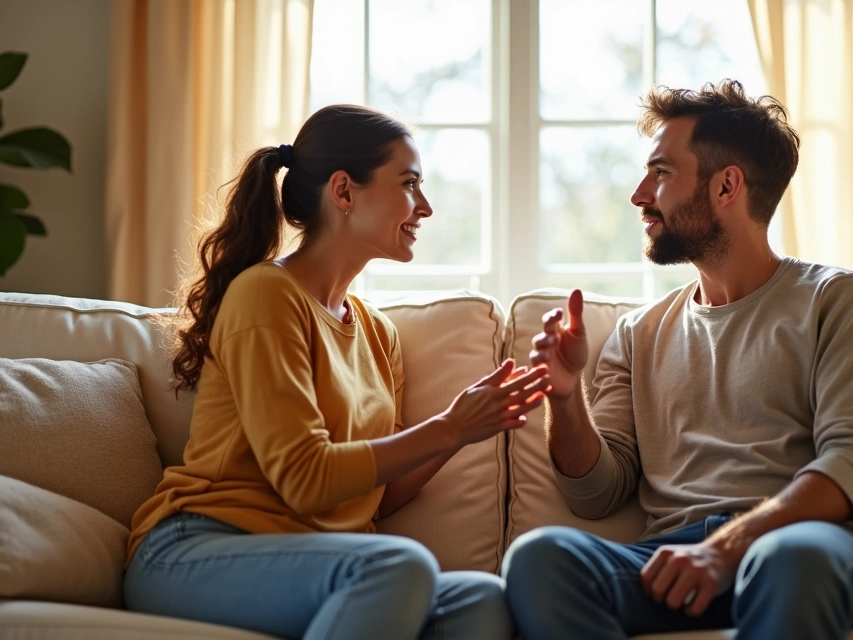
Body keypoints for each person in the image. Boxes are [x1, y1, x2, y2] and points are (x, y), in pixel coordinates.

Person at [124, 104, 548, 640]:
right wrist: (449, 428)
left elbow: (377, 495)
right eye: (410, 184)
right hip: (198, 551)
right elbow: (306, 481)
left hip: (318, 562)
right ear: (344, 192)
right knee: (398, 564)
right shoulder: (266, 295)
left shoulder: (376, 332)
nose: (427, 207)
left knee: (478, 599)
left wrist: (460, 431)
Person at [502, 80, 853, 640]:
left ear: (726, 186)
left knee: (790, 560)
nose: (639, 194)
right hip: (676, 555)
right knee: (540, 557)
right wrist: (566, 398)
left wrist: (728, 548)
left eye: (662, 173)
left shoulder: (838, 300)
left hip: (811, 546)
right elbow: (595, 494)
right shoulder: (638, 333)